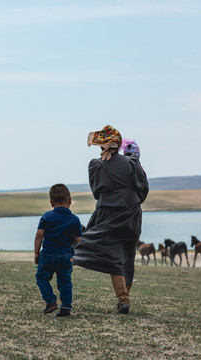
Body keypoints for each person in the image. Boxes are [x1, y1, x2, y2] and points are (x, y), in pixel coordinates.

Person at [73, 125, 149, 314]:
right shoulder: (132, 163)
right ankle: (124, 300)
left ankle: (123, 300)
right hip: (132, 214)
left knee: (104, 251)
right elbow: (143, 189)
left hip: (108, 212)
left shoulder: (96, 165)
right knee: (128, 255)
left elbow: (97, 192)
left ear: (102, 146)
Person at [34, 184, 83, 317]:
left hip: (48, 255)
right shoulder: (75, 219)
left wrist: (36, 253)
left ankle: (50, 301)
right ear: (70, 201)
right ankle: (66, 307)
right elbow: (80, 240)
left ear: (51, 203)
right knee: (65, 282)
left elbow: (39, 235)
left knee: (41, 278)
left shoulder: (46, 217)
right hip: (67, 256)